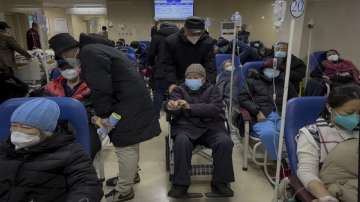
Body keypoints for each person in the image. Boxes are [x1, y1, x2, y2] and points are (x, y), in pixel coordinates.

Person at [49, 33, 161, 202]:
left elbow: (101, 88)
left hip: (126, 102)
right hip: (130, 98)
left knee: (125, 145)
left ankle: (124, 190)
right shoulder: (95, 49)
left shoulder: (88, 54)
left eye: (64, 55)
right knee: (129, 142)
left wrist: (103, 115)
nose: (66, 60)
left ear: (68, 51)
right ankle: (130, 176)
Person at [0, 98, 103, 201]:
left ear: (46, 132)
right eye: (14, 126)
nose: (18, 131)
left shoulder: (71, 152)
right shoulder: (4, 148)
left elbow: (87, 184)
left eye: (26, 127)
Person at [166, 64, 235, 198]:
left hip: (211, 128)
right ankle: (180, 184)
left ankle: (220, 183)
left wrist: (190, 106)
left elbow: (215, 109)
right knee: (181, 142)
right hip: (186, 127)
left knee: (224, 142)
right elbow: (171, 104)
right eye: (189, 77)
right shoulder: (179, 90)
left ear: (203, 78)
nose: (192, 79)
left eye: (196, 77)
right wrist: (170, 106)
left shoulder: (213, 89)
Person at [297, 84, 360, 202]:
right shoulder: (313, 134)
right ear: (330, 108)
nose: (355, 118)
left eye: (359, 113)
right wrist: (326, 197)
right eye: (349, 113)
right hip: (335, 190)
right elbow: (307, 172)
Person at [238, 64, 297, 160]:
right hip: (261, 117)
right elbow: (242, 98)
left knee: (294, 132)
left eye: (276, 69)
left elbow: (294, 99)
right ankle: (279, 161)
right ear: (263, 69)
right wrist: (256, 111)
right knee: (270, 133)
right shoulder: (252, 81)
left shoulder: (285, 83)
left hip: (282, 115)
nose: (273, 71)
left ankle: (292, 160)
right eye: (270, 69)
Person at [160, 16, 216, 92]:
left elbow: (210, 66)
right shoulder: (171, 42)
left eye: (198, 33)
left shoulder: (208, 43)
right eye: (192, 33)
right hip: (178, 81)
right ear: (185, 29)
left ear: (203, 31)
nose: (194, 36)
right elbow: (168, 65)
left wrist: (209, 84)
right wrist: (171, 83)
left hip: (200, 82)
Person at [148, 22, 179, 118]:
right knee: (175, 93)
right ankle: (173, 115)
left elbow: (151, 54)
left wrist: (152, 65)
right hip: (176, 70)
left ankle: (155, 116)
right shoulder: (180, 37)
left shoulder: (157, 37)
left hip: (161, 69)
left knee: (159, 92)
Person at [0, 21, 32, 103]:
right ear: (4, 29)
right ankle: (10, 102)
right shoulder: (7, 38)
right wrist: (29, 56)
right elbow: (19, 49)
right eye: (7, 28)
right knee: (11, 86)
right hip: (6, 66)